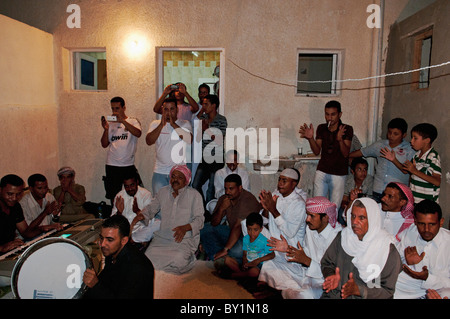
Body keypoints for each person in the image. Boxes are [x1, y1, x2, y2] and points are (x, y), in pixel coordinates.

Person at [321, 198, 402, 299]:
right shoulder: (344, 237)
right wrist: (331, 276)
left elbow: (387, 291)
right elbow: (327, 263)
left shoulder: (386, 248)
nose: (355, 222)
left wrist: (359, 291)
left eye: (362, 218)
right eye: (353, 216)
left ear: (372, 219)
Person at [268, 197, 342, 299]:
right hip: (307, 273)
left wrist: (307, 261)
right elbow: (306, 251)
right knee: (270, 266)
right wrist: (288, 249)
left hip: (324, 282)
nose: (307, 219)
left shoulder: (337, 237)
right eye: (307, 215)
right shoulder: (310, 228)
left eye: (312, 216)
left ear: (325, 218)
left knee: (304, 295)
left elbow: (331, 272)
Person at [139, 165, 204, 274]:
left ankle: (190, 258)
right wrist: (142, 215)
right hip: (162, 239)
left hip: (183, 240)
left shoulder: (194, 195)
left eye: (180, 177)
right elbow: (151, 208)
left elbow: (200, 220)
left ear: (186, 181)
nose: (175, 180)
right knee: (148, 259)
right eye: (173, 176)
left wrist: (185, 228)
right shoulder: (163, 192)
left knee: (178, 261)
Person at [254, 168, 307, 292]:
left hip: (288, 249)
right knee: (247, 223)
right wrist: (266, 207)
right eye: (279, 180)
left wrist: (273, 208)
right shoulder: (275, 195)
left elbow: (289, 232)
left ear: (294, 184)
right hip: (273, 242)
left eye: (284, 181)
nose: (280, 184)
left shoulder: (298, 204)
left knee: (269, 267)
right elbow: (265, 221)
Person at [83, 214, 154, 299]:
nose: (102, 244)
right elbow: (106, 284)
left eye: (109, 240)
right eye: (101, 238)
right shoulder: (112, 253)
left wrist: (95, 285)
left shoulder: (138, 267)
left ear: (124, 240)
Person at [299, 100, 353, 208]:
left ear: (340, 114)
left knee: (334, 208)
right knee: (317, 206)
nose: (329, 118)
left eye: (333, 114)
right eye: (327, 114)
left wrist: (340, 140)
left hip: (339, 173)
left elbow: (346, 153)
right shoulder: (321, 128)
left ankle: (332, 224)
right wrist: (310, 139)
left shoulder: (346, 129)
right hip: (322, 170)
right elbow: (316, 151)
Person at [394, 200, 450, 299]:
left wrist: (427, 278)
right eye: (421, 224)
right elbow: (396, 257)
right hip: (409, 286)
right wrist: (407, 261)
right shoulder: (411, 231)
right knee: (380, 282)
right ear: (415, 221)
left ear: (441, 222)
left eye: (432, 224)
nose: (426, 230)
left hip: (438, 288)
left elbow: (447, 282)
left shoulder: (447, 243)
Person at [350, 118, 414, 203]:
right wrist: (345, 156)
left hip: (397, 193)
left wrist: (394, 160)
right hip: (378, 190)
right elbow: (362, 152)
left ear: (404, 135)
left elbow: (407, 171)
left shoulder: (409, 149)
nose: (391, 136)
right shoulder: (380, 145)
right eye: (389, 132)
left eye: (395, 134)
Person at [201, 174, 261, 264]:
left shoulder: (248, 200)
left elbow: (238, 226)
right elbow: (214, 223)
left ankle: (224, 256)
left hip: (248, 237)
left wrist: (225, 249)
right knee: (205, 228)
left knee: (236, 251)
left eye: (231, 188)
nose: (227, 192)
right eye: (226, 188)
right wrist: (221, 209)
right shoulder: (225, 198)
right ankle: (221, 258)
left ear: (240, 188)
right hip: (233, 232)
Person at [0, 174, 62, 254]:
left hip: (10, 251)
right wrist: (1, 248)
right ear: (0, 190)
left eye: (18, 194)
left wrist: (43, 228)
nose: (14, 198)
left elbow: (26, 233)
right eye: (10, 194)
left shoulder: (15, 206)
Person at [146, 98, 193, 195]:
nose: (169, 112)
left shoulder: (185, 123)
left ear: (177, 110)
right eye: (166, 109)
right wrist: (161, 125)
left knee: (179, 205)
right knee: (159, 204)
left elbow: (189, 139)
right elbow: (149, 141)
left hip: (179, 173)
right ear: (162, 110)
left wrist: (173, 124)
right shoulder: (155, 124)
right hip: (160, 171)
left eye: (172, 109)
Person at [101, 96, 143, 204]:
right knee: (114, 195)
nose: (115, 111)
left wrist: (123, 121)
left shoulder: (132, 121)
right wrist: (106, 130)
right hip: (112, 165)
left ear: (124, 108)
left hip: (127, 165)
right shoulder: (111, 124)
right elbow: (104, 144)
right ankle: (116, 218)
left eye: (117, 108)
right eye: (113, 109)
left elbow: (138, 133)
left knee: (134, 194)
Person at [192, 94, 227, 206]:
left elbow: (219, 140)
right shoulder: (203, 118)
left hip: (217, 158)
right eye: (203, 104)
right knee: (195, 185)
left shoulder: (221, 119)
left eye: (206, 104)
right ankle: (204, 212)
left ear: (214, 105)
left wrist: (207, 129)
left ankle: (211, 214)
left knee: (212, 189)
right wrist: (200, 129)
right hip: (205, 157)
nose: (204, 106)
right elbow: (197, 139)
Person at [110, 172, 160, 251]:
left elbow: (149, 219)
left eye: (132, 185)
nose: (129, 189)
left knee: (157, 223)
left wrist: (137, 211)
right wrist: (119, 212)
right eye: (126, 186)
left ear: (137, 182)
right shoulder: (119, 196)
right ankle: (131, 241)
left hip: (140, 231)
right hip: (124, 231)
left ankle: (135, 240)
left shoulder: (146, 195)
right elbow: (112, 221)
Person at [220, 212, 274, 280]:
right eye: (249, 229)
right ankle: (241, 274)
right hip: (247, 263)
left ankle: (234, 275)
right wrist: (244, 260)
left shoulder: (264, 241)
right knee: (227, 260)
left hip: (257, 264)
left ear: (261, 229)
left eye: (255, 230)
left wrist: (258, 260)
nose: (252, 233)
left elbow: (272, 255)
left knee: (255, 272)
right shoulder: (246, 238)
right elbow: (245, 253)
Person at [403, 123, 440, 204]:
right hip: (414, 200)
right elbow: (411, 175)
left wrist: (415, 171)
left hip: (427, 203)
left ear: (427, 140)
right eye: (412, 138)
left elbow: (437, 181)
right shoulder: (416, 155)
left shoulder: (432, 156)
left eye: (415, 138)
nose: (411, 141)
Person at [339, 157, 373, 225]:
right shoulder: (347, 180)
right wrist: (348, 206)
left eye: (365, 169)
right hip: (350, 205)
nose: (363, 172)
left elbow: (370, 200)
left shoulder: (370, 180)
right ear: (352, 171)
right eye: (359, 169)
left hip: (365, 207)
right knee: (340, 211)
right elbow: (344, 200)